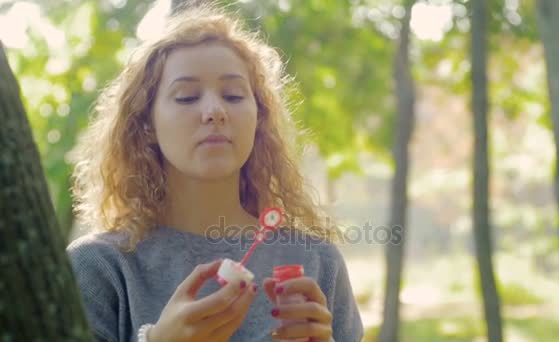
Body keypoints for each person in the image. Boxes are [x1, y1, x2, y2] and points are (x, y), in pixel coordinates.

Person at [66, 3, 363, 342]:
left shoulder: (316, 261)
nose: (215, 111)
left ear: (259, 118)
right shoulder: (98, 267)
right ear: (145, 124)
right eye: (187, 97)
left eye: (234, 95)